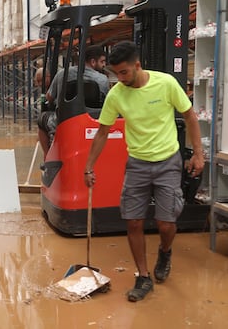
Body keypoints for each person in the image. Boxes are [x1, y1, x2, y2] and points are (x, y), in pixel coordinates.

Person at [84, 41, 204, 302]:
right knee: (133, 221)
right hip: (137, 163)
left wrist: (197, 153)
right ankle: (143, 276)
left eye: (124, 72)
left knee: (166, 223)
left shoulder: (166, 84)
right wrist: (88, 166)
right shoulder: (117, 94)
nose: (120, 78)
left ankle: (165, 250)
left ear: (137, 65)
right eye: (116, 74)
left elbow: (190, 116)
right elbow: (103, 132)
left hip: (167, 162)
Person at [39, 45, 110, 159]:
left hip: (64, 120)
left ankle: (47, 157)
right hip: (94, 121)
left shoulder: (62, 73)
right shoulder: (103, 79)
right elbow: (107, 104)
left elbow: (49, 97)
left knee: (41, 119)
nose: (104, 65)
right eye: (102, 61)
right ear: (92, 61)